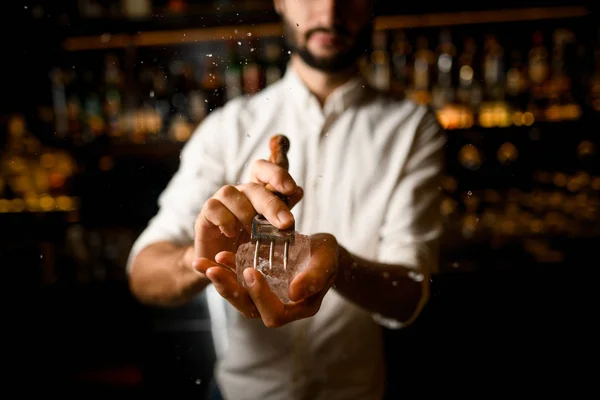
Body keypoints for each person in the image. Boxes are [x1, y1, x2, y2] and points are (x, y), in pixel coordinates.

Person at [126, 0, 446, 398]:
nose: (329, 13)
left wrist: (338, 264)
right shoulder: (226, 127)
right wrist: (202, 257)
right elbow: (143, 273)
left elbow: (409, 296)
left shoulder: (413, 128)